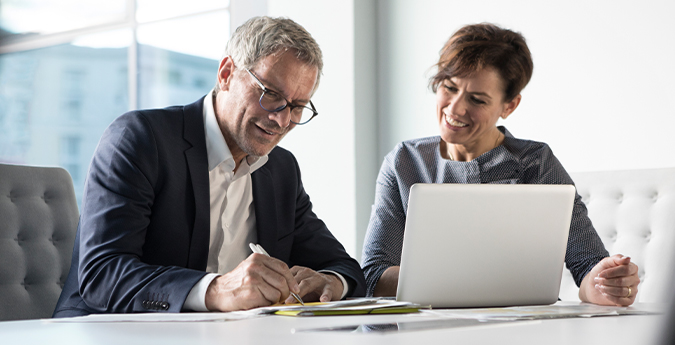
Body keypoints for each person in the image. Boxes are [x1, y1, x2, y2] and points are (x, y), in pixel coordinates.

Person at [53, 16, 365, 317]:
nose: (282, 120)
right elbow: (102, 275)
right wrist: (217, 290)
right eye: (271, 95)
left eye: (297, 107)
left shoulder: (281, 169)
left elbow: (343, 266)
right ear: (227, 73)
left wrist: (330, 283)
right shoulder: (141, 139)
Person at [361, 23, 639, 306]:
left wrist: (606, 283)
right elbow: (374, 276)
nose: (455, 108)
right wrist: (458, 281)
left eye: (477, 99)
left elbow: (587, 264)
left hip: (521, 328)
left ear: (509, 106)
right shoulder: (405, 162)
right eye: (449, 87)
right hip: (426, 328)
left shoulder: (535, 163)